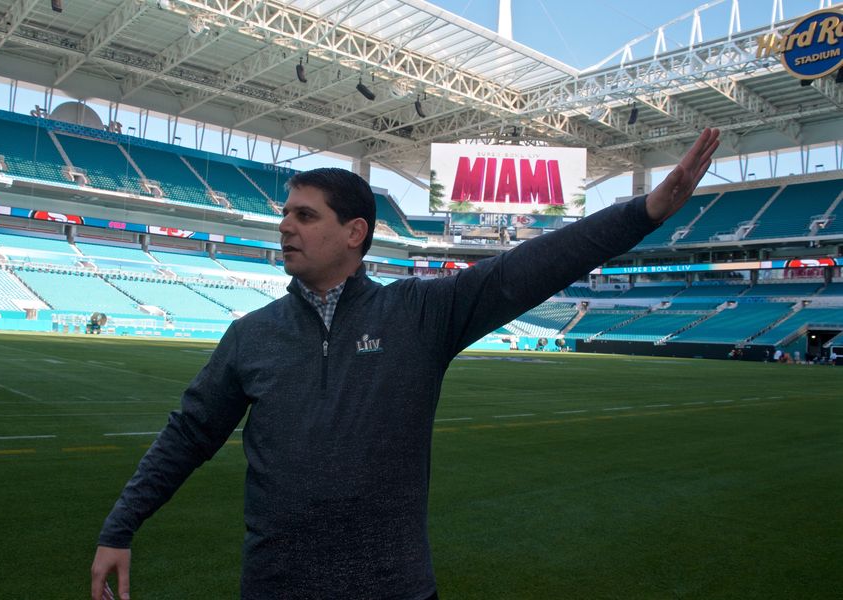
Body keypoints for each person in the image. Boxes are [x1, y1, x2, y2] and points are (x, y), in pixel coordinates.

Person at [91, 129, 720, 600]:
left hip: (394, 587)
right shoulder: (251, 335)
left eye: (304, 215)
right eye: (285, 213)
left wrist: (643, 212)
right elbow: (189, 434)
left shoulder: (419, 313)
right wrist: (121, 527)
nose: (285, 226)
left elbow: (527, 268)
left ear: (355, 232)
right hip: (277, 588)